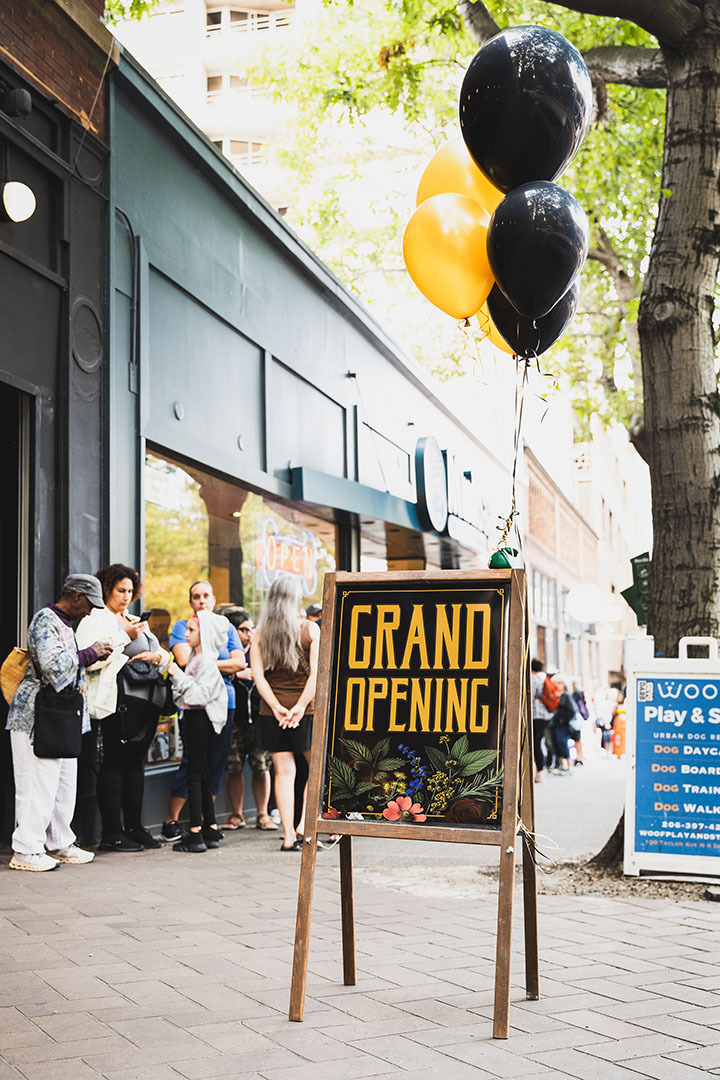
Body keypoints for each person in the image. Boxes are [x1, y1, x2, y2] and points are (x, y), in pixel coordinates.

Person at [6, 574, 113, 871]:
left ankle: (59, 842)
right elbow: (54, 668)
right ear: (77, 595)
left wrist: (89, 655)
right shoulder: (45, 619)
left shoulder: (64, 623)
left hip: (61, 716)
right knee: (36, 784)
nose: (90, 611)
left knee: (64, 783)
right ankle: (26, 850)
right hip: (36, 718)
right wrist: (92, 652)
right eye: (89, 603)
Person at [77, 564, 168, 852]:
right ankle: (112, 832)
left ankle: (135, 826)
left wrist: (156, 657)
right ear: (106, 589)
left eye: (130, 591)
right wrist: (125, 637)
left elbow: (164, 657)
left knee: (135, 765)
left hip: (145, 703)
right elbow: (88, 658)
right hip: (113, 702)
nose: (127, 596)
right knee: (114, 763)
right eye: (120, 590)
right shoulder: (96, 618)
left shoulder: (133, 619)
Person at [161, 581, 244, 841]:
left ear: (213, 597)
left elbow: (239, 662)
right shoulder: (185, 629)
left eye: (206, 595)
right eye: (196, 596)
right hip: (197, 706)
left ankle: (202, 827)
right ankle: (183, 821)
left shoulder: (222, 628)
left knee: (210, 765)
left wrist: (205, 667)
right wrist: (221, 665)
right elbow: (185, 660)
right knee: (195, 766)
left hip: (216, 704)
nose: (201, 600)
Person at [251, 576, 319, 852]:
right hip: (306, 709)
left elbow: (257, 674)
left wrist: (277, 707)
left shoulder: (260, 634)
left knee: (283, 772)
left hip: (272, 712)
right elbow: (317, 674)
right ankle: (304, 824)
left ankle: (289, 835)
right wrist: (300, 707)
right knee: (314, 769)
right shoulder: (310, 630)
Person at [164, 610, 230, 852]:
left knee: (194, 771)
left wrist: (175, 674)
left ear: (206, 633)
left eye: (192, 630)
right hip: (197, 717)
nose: (186, 634)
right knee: (201, 773)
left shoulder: (206, 662)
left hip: (199, 718)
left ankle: (194, 833)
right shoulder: (197, 659)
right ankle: (210, 827)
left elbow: (198, 694)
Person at [217, 606, 277, 831]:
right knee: (234, 767)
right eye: (243, 629)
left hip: (260, 718)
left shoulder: (260, 651)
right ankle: (236, 814)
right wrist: (234, 673)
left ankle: (263, 814)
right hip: (234, 718)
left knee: (262, 767)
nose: (249, 634)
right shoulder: (224, 653)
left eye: (251, 628)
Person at [548, 676, 577, 774]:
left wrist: (562, 719)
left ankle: (569, 766)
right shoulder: (554, 695)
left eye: (560, 682)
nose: (557, 684)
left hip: (562, 724)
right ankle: (562, 765)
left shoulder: (566, 695)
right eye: (556, 682)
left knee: (563, 743)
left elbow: (572, 710)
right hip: (554, 723)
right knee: (556, 743)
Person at [530, 659, 553, 782]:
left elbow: (530, 697)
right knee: (537, 743)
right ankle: (539, 771)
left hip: (535, 715)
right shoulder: (542, 678)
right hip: (545, 716)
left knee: (534, 744)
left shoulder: (532, 678)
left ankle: (538, 772)